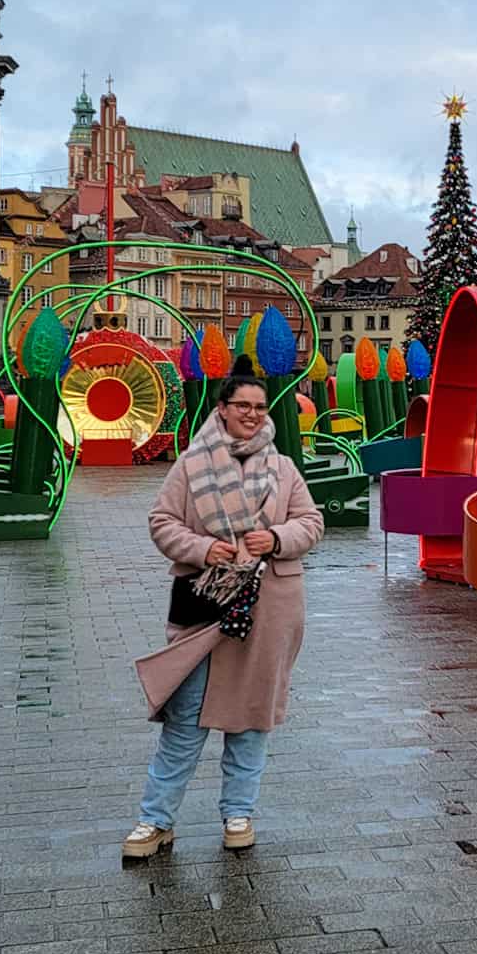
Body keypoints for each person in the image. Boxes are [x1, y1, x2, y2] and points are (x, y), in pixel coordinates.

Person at [123, 357, 324, 859]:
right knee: (186, 718)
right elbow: (161, 521)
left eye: (259, 407)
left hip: (268, 608)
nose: (253, 414)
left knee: (251, 717)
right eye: (243, 406)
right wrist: (200, 549)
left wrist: (276, 537)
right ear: (223, 409)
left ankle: (239, 813)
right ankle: (156, 820)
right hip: (205, 606)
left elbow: (312, 523)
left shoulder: (282, 468)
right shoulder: (191, 465)